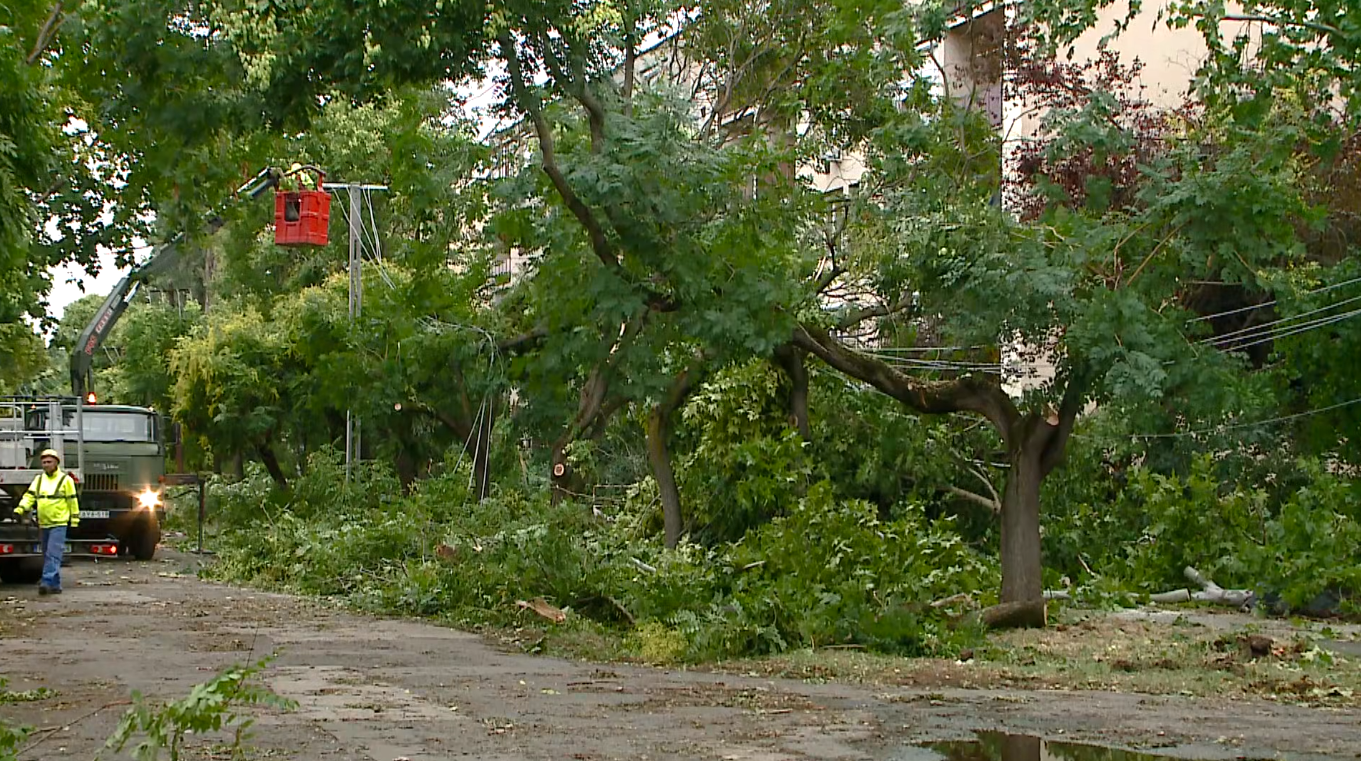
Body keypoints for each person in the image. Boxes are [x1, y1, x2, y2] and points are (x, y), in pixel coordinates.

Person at [12, 449, 79, 595]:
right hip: (44, 523)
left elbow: (72, 501)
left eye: (49, 462)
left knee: (53, 554)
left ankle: (46, 582)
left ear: (56, 463)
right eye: (44, 462)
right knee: (47, 554)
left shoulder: (65, 480)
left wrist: (74, 520)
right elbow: (29, 496)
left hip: (59, 523)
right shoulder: (39, 480)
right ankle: (56, 585)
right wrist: (20, 509)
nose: (46, 465)